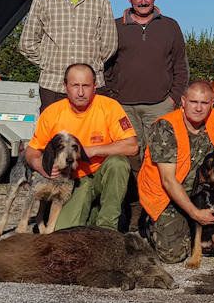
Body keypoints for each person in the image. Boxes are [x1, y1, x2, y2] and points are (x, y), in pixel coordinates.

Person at [103, 0, 189, 230]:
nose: (143, 1)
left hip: (159, 106)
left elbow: (180, 66)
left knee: (157, 161)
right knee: (129, 162)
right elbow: (105, 66)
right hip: (123, 107)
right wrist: (110, 98)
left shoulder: (170, 26)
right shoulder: (115, 26)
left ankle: (156, 215)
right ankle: (130, 215)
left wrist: (173, 98)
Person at [137, 80, 214, 264]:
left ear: (212, 103)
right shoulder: (165, 127)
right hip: (168, 196)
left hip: (201, 191)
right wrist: (196, 214)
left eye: (204, 103)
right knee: (174, 255)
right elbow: (168, 180)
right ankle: (155, 226)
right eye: (193, 102)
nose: (199, 108)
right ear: (183, 101)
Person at [25, 63, 137, 230]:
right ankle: (91, 213)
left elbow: (132, 146)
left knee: (118, 163)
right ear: (65, 87)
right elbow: (32, 150)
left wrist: (92, 150)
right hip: (72, 180)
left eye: (86, 86)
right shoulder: (52, 113)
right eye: (75, 86)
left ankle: (107, 228)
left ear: (95, 86)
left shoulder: (109, 107)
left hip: (100, 173)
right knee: (62, 232)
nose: (81, 92)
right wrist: (39, 165)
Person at [19, 0, 117, 112]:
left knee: (90, 136)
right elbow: (27, 42)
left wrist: (91, 66)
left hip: (90, 88)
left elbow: (109, 45)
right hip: (53, 85)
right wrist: (48, 62)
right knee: (55, 136)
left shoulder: (101, 1)